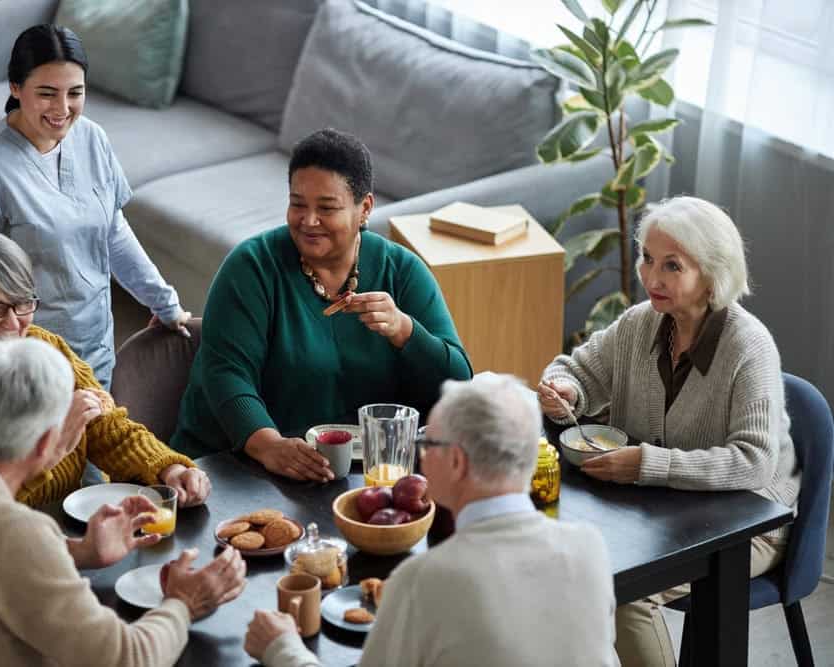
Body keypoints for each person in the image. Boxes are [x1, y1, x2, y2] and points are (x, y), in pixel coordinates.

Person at [0, 337, 245, 666]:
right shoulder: (16, 534)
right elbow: (128, 657)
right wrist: (184, 602)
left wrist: (79, 552)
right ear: (50, 441)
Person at [537, 196, 801, 667]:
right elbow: (575, 371)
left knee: (624, 594)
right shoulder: (642, 323)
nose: (651, 278)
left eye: (672, 266)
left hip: (747, 519)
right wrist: (566, 391)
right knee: (558, 562)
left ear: (712, 276)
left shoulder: (749, 346)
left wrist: (647, 465)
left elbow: (755, 460)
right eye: (647, 258)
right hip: (663, 507)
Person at [244, 373, 617, 666]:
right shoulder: (589, 548)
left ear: (456, 462)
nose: (420, 457)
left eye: (427, 444)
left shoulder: (424, 580)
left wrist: (282, 649)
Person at [170, 128, 473, 479]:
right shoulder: (251, 267)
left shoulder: (402, 271)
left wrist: (405, 331)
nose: (308, 221)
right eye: (298, 204)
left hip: (364, 472)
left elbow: (458, 384)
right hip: (235, 466)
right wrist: (269, 446)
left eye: (326, 208)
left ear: (365, 209)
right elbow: (226, 374)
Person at [0, 231, 210, 508]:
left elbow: (109, 431)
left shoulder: (47, 348)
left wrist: (167, 468)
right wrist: (52, 448)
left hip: (53, 535)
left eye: (23, 303)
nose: (13, 324)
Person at [0, 24, 189, 387]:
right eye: (47, 93)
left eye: (75, 92)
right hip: (24, 363)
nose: (63, 109)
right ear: (15, 87)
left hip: (97, 347)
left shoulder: (91, 139)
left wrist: (164, 303)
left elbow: (113, 233)